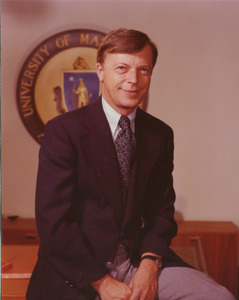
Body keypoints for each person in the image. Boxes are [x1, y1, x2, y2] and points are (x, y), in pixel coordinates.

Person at [27, 28, 235, 300]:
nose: (133, 80)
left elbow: (161, 212)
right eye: (122, 68)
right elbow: (53, 223)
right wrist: (102, 283)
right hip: (78, 271)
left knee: (219, 297)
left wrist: (149, 265)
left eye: (144, 70)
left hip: (136, 261)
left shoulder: (160, 134)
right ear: (100, 71)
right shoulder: (63, 131)